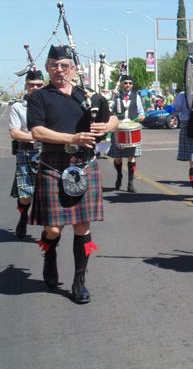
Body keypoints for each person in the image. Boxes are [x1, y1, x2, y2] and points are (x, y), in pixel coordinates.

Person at [27, 45, 118, 303]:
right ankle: (50, 254)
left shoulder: (86, 96)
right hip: (53, 164)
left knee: (82, 226)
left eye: (64, 66)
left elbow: (113, 119)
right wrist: (72, 137)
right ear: (47, 68)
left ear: (73, 69)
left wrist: (107, 124)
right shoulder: (40, 97)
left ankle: (79, 281)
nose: (59, 70)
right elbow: (37, 132)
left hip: (84, 164)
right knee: (54, 229)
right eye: (54, 65)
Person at [9, 68, 45, 238]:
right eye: (32, 85)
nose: (35, 88)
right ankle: (24, 215)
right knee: (26, 195)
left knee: (48, 192)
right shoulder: (18, 107)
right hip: (26, 152)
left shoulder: (50, 103)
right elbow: (15, 133)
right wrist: (36, 136)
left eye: (39, 85)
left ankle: (49, 231)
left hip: (48, 152)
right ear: (26, 86)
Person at [108, 74, 145, 192]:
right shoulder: (115, 96)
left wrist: (141, 117)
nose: (128, 85)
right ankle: (119, 176)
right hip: (118, 129)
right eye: (125, 83)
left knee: (132, 157)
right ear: (122, 84)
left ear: (132, 85)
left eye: (130, 83)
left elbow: (141, 112)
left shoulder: (136, 96)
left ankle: (130, 183)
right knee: (118, 158)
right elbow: (109, 111)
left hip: (132, 130)